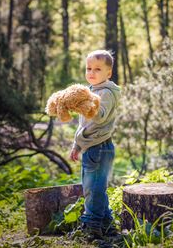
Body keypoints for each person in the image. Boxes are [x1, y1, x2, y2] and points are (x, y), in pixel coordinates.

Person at [69, 49, 121, 240]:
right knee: (93, 187)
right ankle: (106, 224)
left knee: (94, 189)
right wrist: (76, 145)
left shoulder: (106, 92)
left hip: (100, 148)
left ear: (108, 73)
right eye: (88, 68)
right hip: (91, 148)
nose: (91, 72)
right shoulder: (91, 91)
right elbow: (85, 125)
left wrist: (81, 103)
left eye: (97, 69)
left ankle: (92, 225)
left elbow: (98, 117)